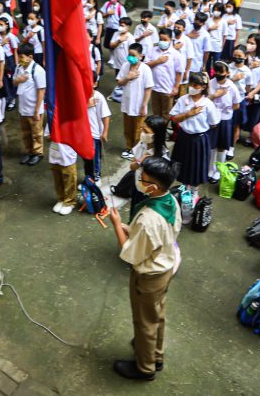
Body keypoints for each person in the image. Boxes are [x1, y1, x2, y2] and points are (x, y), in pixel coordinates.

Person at [106, 156, 181, 381]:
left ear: (154, 186)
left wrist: (117, 225)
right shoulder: (170, 200)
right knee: (157, 316)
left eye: (143, 178)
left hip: (149, 276)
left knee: (144, 322)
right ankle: (155, 355)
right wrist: (132, 229)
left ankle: (145, 368)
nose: (139, 179)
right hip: (165, 266)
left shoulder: (148, 219)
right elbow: (157, 235)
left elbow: (131, 254)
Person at [170, 71, 220, 192]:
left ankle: (193, 192)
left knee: (196, 167)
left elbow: (214, 123)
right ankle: (183, 187)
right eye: (190, 84)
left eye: (196, 85)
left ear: (203, 87)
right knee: (181, 164)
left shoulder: (207, 104)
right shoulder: (183, 100)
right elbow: (174, 118)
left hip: (198, 139)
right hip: (183, 136)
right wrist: (188, 114)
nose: (192, 87)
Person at [119, 43, 155, 160]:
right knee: (127, 128)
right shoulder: (125, 66)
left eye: (133, 55)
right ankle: (128, 147)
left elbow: (148, 88)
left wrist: (144, 105)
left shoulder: (146, 70)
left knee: (138, 129)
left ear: (141, 56)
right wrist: (128, 77)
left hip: (138, 105)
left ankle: (135, 150)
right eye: (129, 54)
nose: (130, 57)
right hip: (127, 104)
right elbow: (119, 83)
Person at [14, 43, 46, 166]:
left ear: (30, 57)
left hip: (34, 109)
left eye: (21, 57)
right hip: (23, 107)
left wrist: (37, 111)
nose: (19, 59)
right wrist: (18, 80)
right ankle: (29, 151)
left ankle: (38, 152)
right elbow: (14, 83)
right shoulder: (19, 68)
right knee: (26, 132)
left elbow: (41, 91)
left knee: (36, 132)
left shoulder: (38, 70)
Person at [84, 88, 111, 181]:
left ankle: (96, 176)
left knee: (96, 157)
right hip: (83, 134)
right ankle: (88, 178)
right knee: (86, 158)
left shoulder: (99, 97)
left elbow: (106, 115)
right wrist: (86, 105)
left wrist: (105, 132)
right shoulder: (80, 95)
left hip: (95, 134)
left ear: (95, 84)